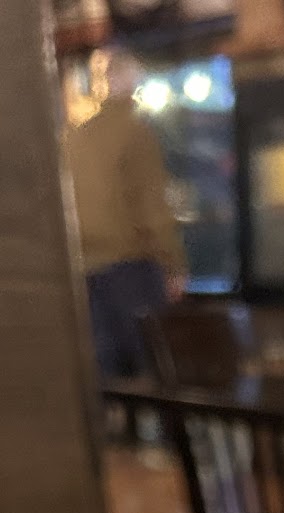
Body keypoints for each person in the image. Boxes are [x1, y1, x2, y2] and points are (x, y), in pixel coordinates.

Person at [65, 50, 187, 380]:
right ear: (132, 80)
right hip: (131, 267)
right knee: (152, 372)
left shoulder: (73, 137)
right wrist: (173, 265)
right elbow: (152, 208)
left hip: (84, 271)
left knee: (109, 381)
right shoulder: (136, 133)